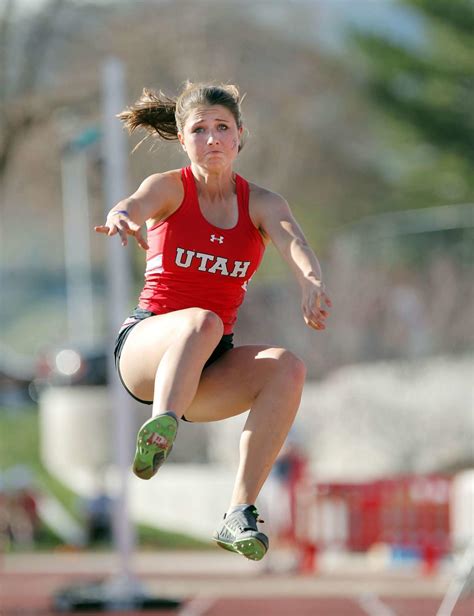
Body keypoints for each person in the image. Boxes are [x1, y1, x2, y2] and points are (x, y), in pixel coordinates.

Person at [95, 82, 331, 561]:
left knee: (288, 366)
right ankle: (160, 426)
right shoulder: (170, 187)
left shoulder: (262, 203)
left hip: (207, 364)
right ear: (183, 140)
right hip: (147, 346)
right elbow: (134, 203)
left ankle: (238, 512)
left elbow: (296, 243)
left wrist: (311, 283)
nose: (212, 139)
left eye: (222, 127)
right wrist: (122, 216)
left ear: (240, 135)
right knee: (202, 321)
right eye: (199, 130)